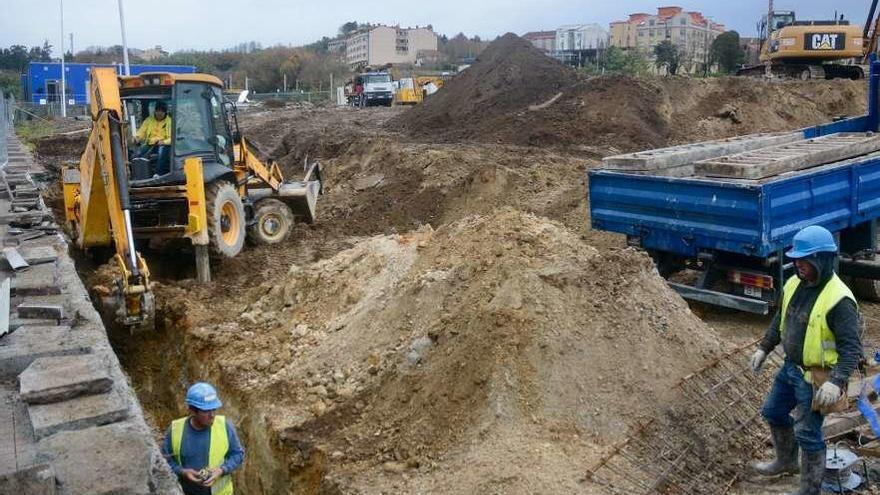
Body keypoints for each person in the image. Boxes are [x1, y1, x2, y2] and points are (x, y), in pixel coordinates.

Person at [750, 225, 862, 495]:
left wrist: (836, 381)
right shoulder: (794, 284)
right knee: (773, 412)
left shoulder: (839, 299)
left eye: (804, 259)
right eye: (796, 258)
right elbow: (781, 319)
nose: (798, 264)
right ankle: (787, 461)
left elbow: (851, 348)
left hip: (816, 377)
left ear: (822, 259)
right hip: (791, 369)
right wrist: (765, 347)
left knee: (808, 433)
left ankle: (810, 490)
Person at [163, 382, 245, 495]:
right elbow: (164, 461)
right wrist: (182, 472)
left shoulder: (224, 426)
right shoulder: (175, 430)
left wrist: (222, 470)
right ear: (192, 411)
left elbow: (238, 454)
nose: (212, 415)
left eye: (214, 409)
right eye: (206, 411)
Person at [136, 101, 172, 175]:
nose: (159, 113)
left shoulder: (169, 121)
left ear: (165, 112)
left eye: (162, 111)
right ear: (155, 111)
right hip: (150, 144)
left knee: (161, 154)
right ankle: (140, 173)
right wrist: (137, 137)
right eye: (158, 111)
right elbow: (142, 131)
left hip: (164, 144)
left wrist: (164, 142)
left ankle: (158, 174)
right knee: (138, 154)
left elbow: (172, 138)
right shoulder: (149, 120)